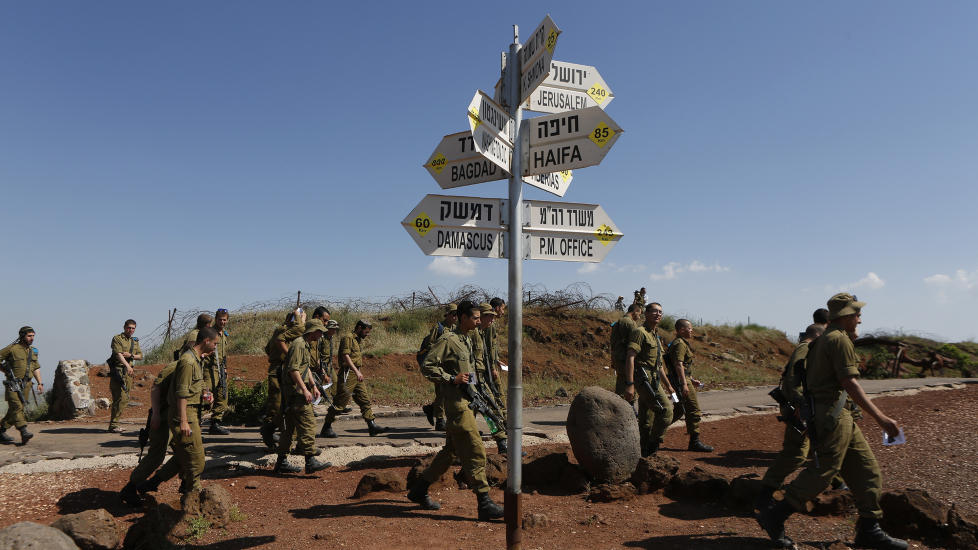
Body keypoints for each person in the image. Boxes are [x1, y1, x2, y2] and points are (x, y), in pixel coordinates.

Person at [756, 294, 907, 550]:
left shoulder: (827, 339)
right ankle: (775, 515)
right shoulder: (838, 339)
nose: (860, 319)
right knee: (823, 471)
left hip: (837, 414)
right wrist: (881, 418)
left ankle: (869, 530)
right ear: (846, 315)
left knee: (867, 470)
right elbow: (849, 382)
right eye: (857, 314)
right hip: (833, 416)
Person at [406, 300, 504, 520]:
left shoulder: (466, 339)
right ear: (463, 318)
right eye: (475, 318)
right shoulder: (448, 340)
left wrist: (479, 391)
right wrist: (451, 378)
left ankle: (419, 489)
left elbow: (470, 372)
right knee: (475, 449)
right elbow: (428, 366)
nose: (478, 321)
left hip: (468, 401)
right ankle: (484, 502)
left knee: (450, 452)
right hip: (457, 406)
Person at [756, 323, 835, 508]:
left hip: (800, 407)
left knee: (817, 448)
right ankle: (766, 493)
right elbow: (792, 378)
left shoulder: (805, 348)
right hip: (798, 409)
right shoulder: (805, 348)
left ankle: (837, 484)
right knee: (796, 454)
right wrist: (801, 404)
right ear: (818, 336)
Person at [120, 358, 182, 506]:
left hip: (178, 419)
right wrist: (156, 414)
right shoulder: (177, 366)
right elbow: (156, 387)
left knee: (186, 454)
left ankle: (156, 483)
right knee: (156, 456)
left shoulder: (201, 365)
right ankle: (131, 488)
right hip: (164, 418)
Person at [274, 319, 332, 474]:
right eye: (319, 331)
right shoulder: (299, 345)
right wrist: (305, 390)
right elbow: (293, 370)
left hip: (297, 390)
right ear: (312, 331)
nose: (321, 335)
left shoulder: (305, 344)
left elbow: (305, 368)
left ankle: (281, 462)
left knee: (290, 429)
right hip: (296, 392)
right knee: (308, 423)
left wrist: (313, 386)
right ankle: (310, 460)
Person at [169, 326, 218, 497]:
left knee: (189, 457)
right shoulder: (188, 361)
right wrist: (183, 421)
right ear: (206, 341)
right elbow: (181, 393)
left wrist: (206, 393)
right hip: (186, 415)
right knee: (196, 460)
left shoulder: (197, 359)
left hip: (193, 414)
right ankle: (193, 495)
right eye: (215, 344)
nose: (215, 347)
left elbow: (194, 386)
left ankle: (186, 490)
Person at [319, 319, 387, 437]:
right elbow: (346, 356)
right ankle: (326, 427)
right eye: (366, 332)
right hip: (348, 374)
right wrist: (356, 371)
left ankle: (372, 426)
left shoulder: (357, 339)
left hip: (356, 374)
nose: (367, 334)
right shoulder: (348, 338)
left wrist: (358, 372)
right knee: (340, 404)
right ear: (359, 328)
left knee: (364, 400)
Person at [624, 303, 675, 456]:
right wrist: (630, 384)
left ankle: (642, 452)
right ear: (646, 313)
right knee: (666, 411)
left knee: (646, 419)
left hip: (653, 379)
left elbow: (659, 366)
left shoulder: (655, 336)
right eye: (654, 311)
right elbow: (630, 357)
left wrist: (669, 386)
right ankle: (653, 446)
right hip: (643, 378)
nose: (658, 314)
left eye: (660, 312)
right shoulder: (640, 332)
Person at [260, 309, 306, 449]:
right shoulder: (283, 330)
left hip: (285, 370)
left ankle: (288, 439)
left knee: (288, 406)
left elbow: (268, 348)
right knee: (276, 406)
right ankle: (268, 431)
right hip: (278, 370)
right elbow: (300, 329)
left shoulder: (286, 332)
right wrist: (300, 317)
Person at [666, 319, 714, 452]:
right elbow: (678, 365)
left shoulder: (679, 343)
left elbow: (682, 367)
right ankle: (694, 442)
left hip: (681, 381)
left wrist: (691, 380)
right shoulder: (680, 344)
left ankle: (654, 432)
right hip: (681, 383)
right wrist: (684, 384)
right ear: (682, 330)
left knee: (678, 410)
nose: (692, 331)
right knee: (693, 409)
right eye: (690, 328)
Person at [472, 303, 508, 454]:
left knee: (489, 407)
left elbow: (485, 356)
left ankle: (502, 442)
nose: (492, 320)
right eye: (490, 317)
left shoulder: (480, 332)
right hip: (472, 378)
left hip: (478, 377)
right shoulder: (471, 333)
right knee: (471, 413)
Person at [0, 326, 43, 444]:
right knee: (17, 407)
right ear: (22, 336)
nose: (32, 338)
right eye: (29, 336)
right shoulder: (12, 349)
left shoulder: (33, 351)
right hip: (12, 384)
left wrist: (40, 383)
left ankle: (1, 431)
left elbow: (36, 368)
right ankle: (23, 431)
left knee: (16, 409)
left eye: (33, 336)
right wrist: (5, 370)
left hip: (27, 384)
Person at [420, 304, 457, 431]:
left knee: (448, 393)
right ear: (447, 314)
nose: (455, 317)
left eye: (457, 314)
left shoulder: (455, 328)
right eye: (453, 314)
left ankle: (431, 409)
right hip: (439, 365)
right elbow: (430, 345)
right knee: (441, 392)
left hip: (450, 365)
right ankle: (440, 420)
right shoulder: (439, 327)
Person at [107, 320, 143, 433]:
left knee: (125, 398)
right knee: (120, 397)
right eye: (129, 327)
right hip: (118, 371)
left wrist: (130, 355)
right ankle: (114, 425)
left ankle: (114, 424)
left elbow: (140, 356)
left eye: (133, 328)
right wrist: (127, 365)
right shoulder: (117, 338)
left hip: (128, 373)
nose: (131, 330)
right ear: (124, 327)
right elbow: (118, 354)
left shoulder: (134, 341)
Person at [206, 309, 231, 435]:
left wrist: (225, 368)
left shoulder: (224, 334)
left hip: (220, 368)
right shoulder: (211, 333)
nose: (222, 322)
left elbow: (223, 354)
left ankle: (215, 423)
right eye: (220, 319)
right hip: (209, 368)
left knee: (222, 395)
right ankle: (193, 422)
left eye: (224, 320)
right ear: (216, 319)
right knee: (205, 395)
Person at [612, 303, 643, 402]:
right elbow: (635, 342)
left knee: (621, 383)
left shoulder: (619, 322)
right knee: (627, 387)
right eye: (639, 314)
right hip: (625, 359)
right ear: (635, 312)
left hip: (619, 357)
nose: (639, 317)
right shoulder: (630, 322)